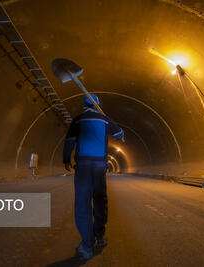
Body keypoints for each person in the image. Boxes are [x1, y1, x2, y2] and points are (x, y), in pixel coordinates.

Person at [63, 94, 124, 259]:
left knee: (82, 204)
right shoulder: (104, 120)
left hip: (82, 167)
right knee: (99, 201)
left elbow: (69, 140)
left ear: (84, 105)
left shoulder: (78, 120)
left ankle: (87, 245)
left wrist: (66, 159)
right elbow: (119, 133)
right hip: (99, 167)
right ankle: (100, 236)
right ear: (98, 105)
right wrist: (112, 125)